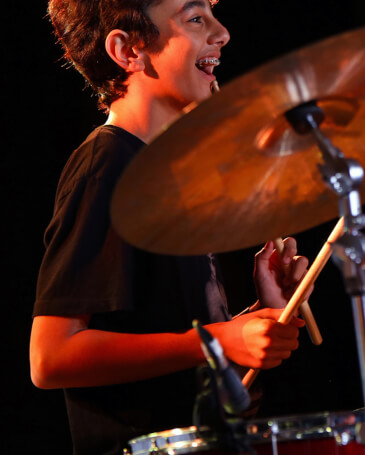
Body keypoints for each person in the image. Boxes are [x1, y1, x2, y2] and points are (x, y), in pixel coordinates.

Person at [30, 1, 310, 453]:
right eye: (195, 18)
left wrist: (253, 321)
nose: (222, 34)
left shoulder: (165, 172)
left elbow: (173, 349)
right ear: (127, 50)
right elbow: (51, 356)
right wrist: (215, 341)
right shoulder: (107, 164)